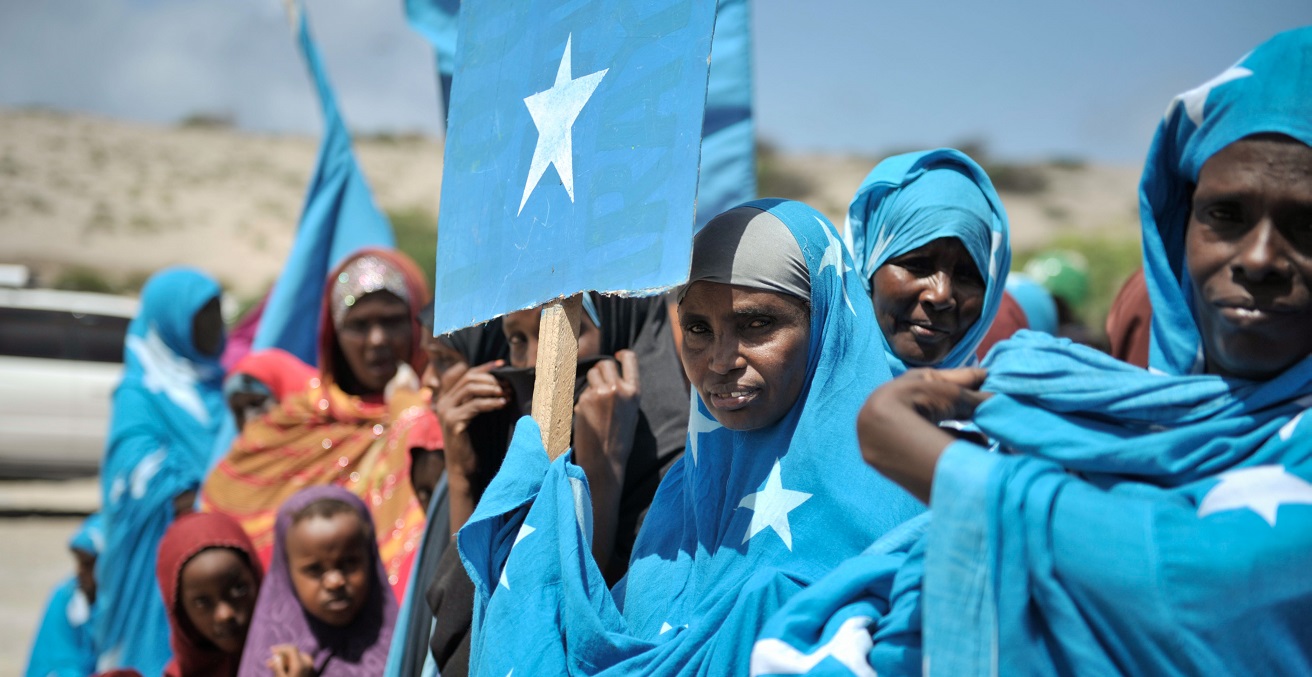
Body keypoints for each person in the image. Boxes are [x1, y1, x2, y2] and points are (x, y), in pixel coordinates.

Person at [847, 27, 1312, 675]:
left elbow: (1190, 583)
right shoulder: (1090, 416)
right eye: (1227, 215)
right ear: (1179, 226)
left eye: (1308, 225)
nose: (1260, 258)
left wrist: (921, 455)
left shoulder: (996, 419)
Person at [456, 199, 922, 675]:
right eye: (698, 328)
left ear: (824, 322)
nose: (721, 360)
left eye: (757, 324)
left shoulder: (898, 498)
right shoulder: (684, 498)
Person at [203, 249, 432, 596]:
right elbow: (223, 513)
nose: (377, 339)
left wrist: (409, 413)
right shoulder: (298, 421)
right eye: (358, 325)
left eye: (392, 321)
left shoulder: (439, 415)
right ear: (332, 334)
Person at [96, 267, 227, 676]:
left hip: (212, 561)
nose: (215, 327)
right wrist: (204, 492)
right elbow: (133, 471)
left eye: (217, 314)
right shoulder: (139, 393)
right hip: (154, 560)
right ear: (171, 323)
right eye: (201, 317)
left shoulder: (220, 386)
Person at [844, 148, 1012, 374]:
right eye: (917, 265)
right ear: (865, 270)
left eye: (967, 276)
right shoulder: (799, 399)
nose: (941, 295)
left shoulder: (994, 406)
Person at [238, 486, 397, 677]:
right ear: (286, 573)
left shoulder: (407, 643)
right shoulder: (272, 664)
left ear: (370, 559)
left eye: (349, 563)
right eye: (314, 570)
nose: (335, 582)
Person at [156, 512, 263, 677]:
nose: (225, 614)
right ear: (180, 612)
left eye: (239, 590)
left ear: (257, 579)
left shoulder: (302, 658)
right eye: (202, 602)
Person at [25, 514, 104, 677]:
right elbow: (58, 663)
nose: (80, 572)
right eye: (79, 562)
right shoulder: (66, 598)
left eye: (88, 565)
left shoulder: (125, 605)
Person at [221, 349, 316, 434]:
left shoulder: (325, 422)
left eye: (256, 402)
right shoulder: (246, 450)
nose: (250, 419)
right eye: (238, 412)